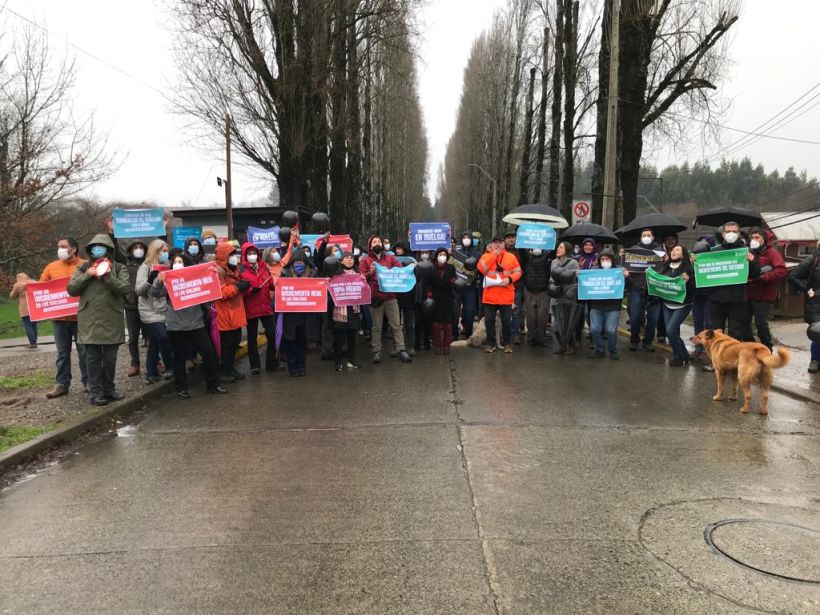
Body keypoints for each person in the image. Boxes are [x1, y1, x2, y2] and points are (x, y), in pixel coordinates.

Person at [151, 253, 227, 398]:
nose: (178, 264)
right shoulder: (169, 280)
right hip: (176, 326)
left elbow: (210, 289)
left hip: (196, 323)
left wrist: (213, 275)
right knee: (179, 358)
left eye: (181, 261)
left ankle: (213, 384)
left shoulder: (196, 278)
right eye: (175, 262)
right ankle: (181, 388)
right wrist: (159, 281)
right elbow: (155, 293)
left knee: (209, 353)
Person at [66, 234, 130, 406]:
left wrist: (108, 276)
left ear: (109, 250)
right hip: (89, 319)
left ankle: (109, 389)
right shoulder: (82, 268)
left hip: (112, 318)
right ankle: (96, 392)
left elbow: (124, 289)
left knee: (110, 359)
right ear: (90, 250)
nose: (98, 249)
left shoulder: (119, 268)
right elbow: (71, 289)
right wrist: (87, 275)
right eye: (95, 247)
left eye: (102, 247)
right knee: (92, 358)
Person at [40, 237, 89, 398]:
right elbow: (40, 288)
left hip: (81, 318)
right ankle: (61, 384)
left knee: (84, 352)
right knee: (62, 354)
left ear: (73, 249)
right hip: (59, 320)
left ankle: (88, 382)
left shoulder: (85, 265)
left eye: (63, 246)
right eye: (58, 246)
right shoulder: (51, 267)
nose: (59, 249)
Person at [358, 236, 412, 363]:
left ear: (382, 245)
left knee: (396, 325)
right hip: (375, 298)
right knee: (376, 327)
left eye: (379, 242)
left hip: (390, 297)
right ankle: (377, 351)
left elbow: (399, 270)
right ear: (370, 246)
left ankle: (401, 349)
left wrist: (408, 268)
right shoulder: (365, 260)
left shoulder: (390, 258)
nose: (377, 243)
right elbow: (361, 278)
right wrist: (370, 273)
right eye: (374, 242)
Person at [703, 221, 757, 342]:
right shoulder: (714, 251)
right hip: (717, 300)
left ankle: (733, 360)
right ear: (723, 234)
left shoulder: (746, 251)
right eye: (728, 231)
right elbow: (704, 273)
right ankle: (716, 360)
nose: (731, 234)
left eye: (734, 231)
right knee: (715, 333)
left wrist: (752, 262)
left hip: (737, 300)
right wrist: (696, 262)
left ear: (739, 234)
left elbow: (756, 275)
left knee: (735, 333)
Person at [135, 239, 175, 385]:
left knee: (154, 342)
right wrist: (150, 281)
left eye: (166, 251)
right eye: (163, 251)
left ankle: (151, 373)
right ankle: (170, 366)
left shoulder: (167, 266)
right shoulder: (145, 268)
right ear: (155, 251)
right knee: (163, 336)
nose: (166, 254)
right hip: (149, 311)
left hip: (163, 310)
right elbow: (138, 291)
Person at [477, 236, 522, 353]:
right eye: (495, 243)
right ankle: (490, 344)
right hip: (490, 295)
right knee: (489, 320)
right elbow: (481, 268)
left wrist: (510, 279)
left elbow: (518, 272)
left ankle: (507, 344)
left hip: (506, 295)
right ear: (491, 245)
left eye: (500, 243)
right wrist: (493, 255)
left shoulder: (511, 257)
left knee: (507, 321)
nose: (497, 245)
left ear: (504, 244)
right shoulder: (486, 256)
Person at [239, 241, 277, 374]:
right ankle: (254, 365)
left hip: (266, 307)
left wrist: (276, 283)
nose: (252, 255)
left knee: (272, 335)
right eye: (249, 253)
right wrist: (250, 291)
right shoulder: (241, 270)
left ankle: (272, 364)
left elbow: (271, 284)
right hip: (251, 308)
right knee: (251, 337)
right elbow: (239, 290)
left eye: (254, 253)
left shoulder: (264, 267)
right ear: (245, 255)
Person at [213, 242, 249, 381]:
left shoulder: (233, 269)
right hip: (224, 314)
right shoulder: (217, 271)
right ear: (224, 256)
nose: (234, 257)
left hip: (235, 312)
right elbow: (221, 292)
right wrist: (238, 287)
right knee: (226, 345)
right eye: (231, 254)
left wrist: (242, 286)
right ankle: (224, 371)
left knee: (234, 343)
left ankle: (230, 369)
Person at [747, 228, 787, 351]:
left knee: (761, 324)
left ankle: (767, 349)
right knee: (744, 324)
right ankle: (752, 348)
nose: (754, 240)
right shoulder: (747, 252)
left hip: (763, 296)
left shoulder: (772, 253)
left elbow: (781, 270)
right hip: (747, 294)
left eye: (757, 237)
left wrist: (764, 277)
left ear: (763, 239)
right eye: (752, 237)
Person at [657, 245, 695, 366]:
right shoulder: (665, 267)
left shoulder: (688, 269)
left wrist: (688, 281)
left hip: (683, 304)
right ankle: (683, 354)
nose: (674, 251)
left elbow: (694, 289)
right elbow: (659, 283)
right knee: (670, 332)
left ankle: (679, 357)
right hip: (667, 303)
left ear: (683, 254)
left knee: (670, 330)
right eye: (672, 250)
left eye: (677, 250)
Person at [280, 249, 315, 376]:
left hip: (306, 316)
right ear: (292, 263)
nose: (299, 264)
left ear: (306, 263)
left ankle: (302, 367)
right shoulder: (284, 275)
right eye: (296, 262)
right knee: (291, 342)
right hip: (290, 316)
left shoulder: (312, 275)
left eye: (301, 262)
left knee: (302, 342)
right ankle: (293, 368)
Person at [588, 248, 627, 359]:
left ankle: (613, 350)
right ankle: (599, 349)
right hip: (597, 306)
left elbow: (629, 286)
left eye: (607, 259)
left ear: (612, 260)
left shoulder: (619, 270)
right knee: (594, 329)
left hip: (613, 307)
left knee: (610, 330)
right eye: (602, 259)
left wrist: (627, 277)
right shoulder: (594, 271)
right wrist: (580, 277)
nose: (604, 261)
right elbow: (586, 283)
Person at [627, 229, 662, 352]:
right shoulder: (633, 250)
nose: (646, 237)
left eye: (649, 235)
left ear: (653, 237)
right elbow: (628, 266)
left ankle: (648, 342)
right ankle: (634, 340)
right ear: (641, 237)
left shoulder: (660, 251)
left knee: (653, 319)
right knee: (635, 316)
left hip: (654, 290)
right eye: (644, 235)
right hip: (637, 288)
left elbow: (665, 269)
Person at [788, 243, 820, 373]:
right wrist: (807, 289)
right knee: (818, 332)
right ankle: (815, 360)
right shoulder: (813, 260)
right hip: (816, 303)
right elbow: (793, 276)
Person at [328, 251, 363, 371]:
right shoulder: (336, 275)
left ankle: (352, 359)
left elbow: (363, 291)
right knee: (338, 337)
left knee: (352, 336)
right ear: (341, 261)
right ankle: (337, 362)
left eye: (351, 258)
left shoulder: (358, 274)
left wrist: (363, 281)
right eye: (347, 258)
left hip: (353, 309)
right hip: (339, 310)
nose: (350, 260)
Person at [549, 241, 581, 354]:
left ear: (567, 249)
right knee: (555, 326)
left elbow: (577, 280)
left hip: (568, 296)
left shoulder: (573, 263)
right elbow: (551, 277)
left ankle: (571, 346)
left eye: (561, 247)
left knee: (568, 324)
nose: (558, 249)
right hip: (556, 296)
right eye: (558, 247)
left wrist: (572, 291)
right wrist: (552, 284)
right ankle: (561, 345)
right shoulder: (554, 262)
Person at [123, 240, 147, 376]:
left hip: (147, 305)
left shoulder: (148, 264)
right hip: (131, 306)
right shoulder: (125, 265)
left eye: (140, 247)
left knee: (151, 335)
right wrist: (128, 297)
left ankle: (156, 361)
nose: (138, 249)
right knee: (132, 337)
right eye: (135, 247)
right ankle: (135, 364)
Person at [392, 242, 419, 356]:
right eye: (396, 249)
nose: (397, 251)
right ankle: (396, 346)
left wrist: (416, 267)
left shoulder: (412, 260)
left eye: (399, 248)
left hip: (408, 295)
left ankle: (410, 346)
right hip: (395, 295)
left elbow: (418, 277)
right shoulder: (392, 260)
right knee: (395, 324)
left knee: (409, 323)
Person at [453, 230, 481, 340]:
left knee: (470, 311)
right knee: (455, 311)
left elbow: (481, 268)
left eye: (468, 237)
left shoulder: (477, 254)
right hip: (457, 288)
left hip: (471, 287)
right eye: (464, 237)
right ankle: (454, 333)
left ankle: (468, 332)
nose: (466, 239)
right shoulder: (456, 252)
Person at [689, 238, 714, 360]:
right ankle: (699, 348)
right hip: (696, 297)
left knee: (708, 324)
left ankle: (708, 349)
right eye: (696, 254)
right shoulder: (690, 264)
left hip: (709, 297)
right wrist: (692, 266)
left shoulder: (712, 264)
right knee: (697, 322)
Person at [521, 247, 551, 346]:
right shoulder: (525, 255)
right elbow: (521, 248)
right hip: (529, 289)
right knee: (530, 315)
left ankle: (541, 338)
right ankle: (532, 337)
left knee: (543, 316)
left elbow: (553, 249)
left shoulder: (547, 255)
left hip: (543, 290)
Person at [430, 247, 457, 354]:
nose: (442, 256)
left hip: (448, 298)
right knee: (436, 325)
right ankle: (437, 345)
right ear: (436, 256)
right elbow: (427, 283)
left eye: (444, 254)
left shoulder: (451, 267)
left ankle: (446, 345)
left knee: (448, 325)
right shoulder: (431, 268)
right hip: (435, 299)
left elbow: (454, 280)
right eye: (440, 254)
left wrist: (454, 282)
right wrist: (429, 294)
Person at [503, 231, 525, 344]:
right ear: (505, 240)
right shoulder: (501, 252)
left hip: (517, 286)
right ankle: (504, 334)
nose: (511, 240)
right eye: (509, 237)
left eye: (513, 238)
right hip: (504, 286)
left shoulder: (521, 251)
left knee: (516, 311)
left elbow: (524, 266)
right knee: (504, 311)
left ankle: (515, 333)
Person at [10, 273, 37, 348]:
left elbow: (12, 296)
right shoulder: (33, 282)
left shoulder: (17, 285)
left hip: (24, 308)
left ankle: (32, 343)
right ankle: (34, 341)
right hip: (34, 306)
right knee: (34, 325)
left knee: (28, 325)